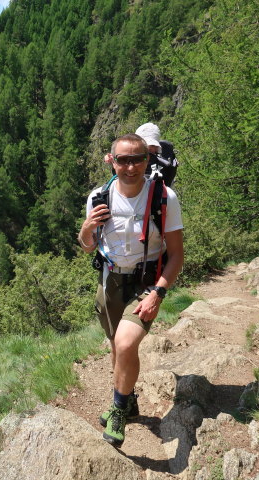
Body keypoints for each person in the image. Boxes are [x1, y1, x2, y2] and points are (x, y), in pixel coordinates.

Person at [78, 133, 184, 447]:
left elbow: (176, 254)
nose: (131, 166)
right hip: (110, 283)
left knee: (125, 344)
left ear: (148, 160)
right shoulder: (99, 196)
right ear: (111, 161)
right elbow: (88, 247)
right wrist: (85, 230)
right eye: (123, 159)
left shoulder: (164, 197)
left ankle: (118, 409)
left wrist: (158, 293)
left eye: (137, 158)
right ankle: (130, 397)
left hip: (145, 283)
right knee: (116, 347)